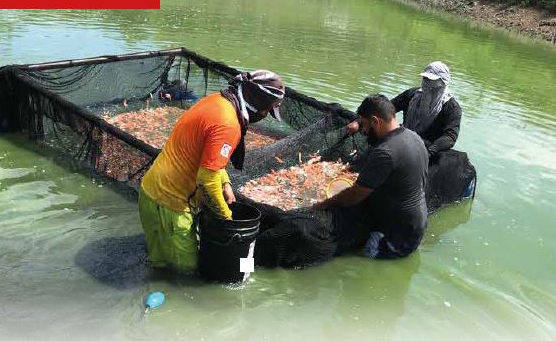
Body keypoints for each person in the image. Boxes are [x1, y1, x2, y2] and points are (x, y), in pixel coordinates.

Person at [138, 70, 286, 272]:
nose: (264, 116)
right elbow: (206, 180)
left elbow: (207, 160)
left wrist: (225, 184)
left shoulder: (218, 101)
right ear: (259, 105)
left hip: (151, 192)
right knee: (186, 276)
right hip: (171, 205)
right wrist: (227, 218)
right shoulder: (228, 124)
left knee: (159, 264)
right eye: (267, 110)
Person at [313, 94, 428, 259]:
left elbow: (353, 196)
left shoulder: (385, 152)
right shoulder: (414, 137)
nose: (364, 131)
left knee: (359, 265)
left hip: (394, 237)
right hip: (416, 226)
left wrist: (321, 205)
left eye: (364, 125)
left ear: (376, 121)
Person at [347, 61, 461, 159]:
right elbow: (385, 109)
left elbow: (450, 136)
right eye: (425, 78)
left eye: (432, 80)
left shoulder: (452, 108)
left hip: (426, 147)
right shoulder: (412, 95)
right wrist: (358, 121)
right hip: (404, 138)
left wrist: (429, 152)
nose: (427, 83)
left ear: (443, 83)